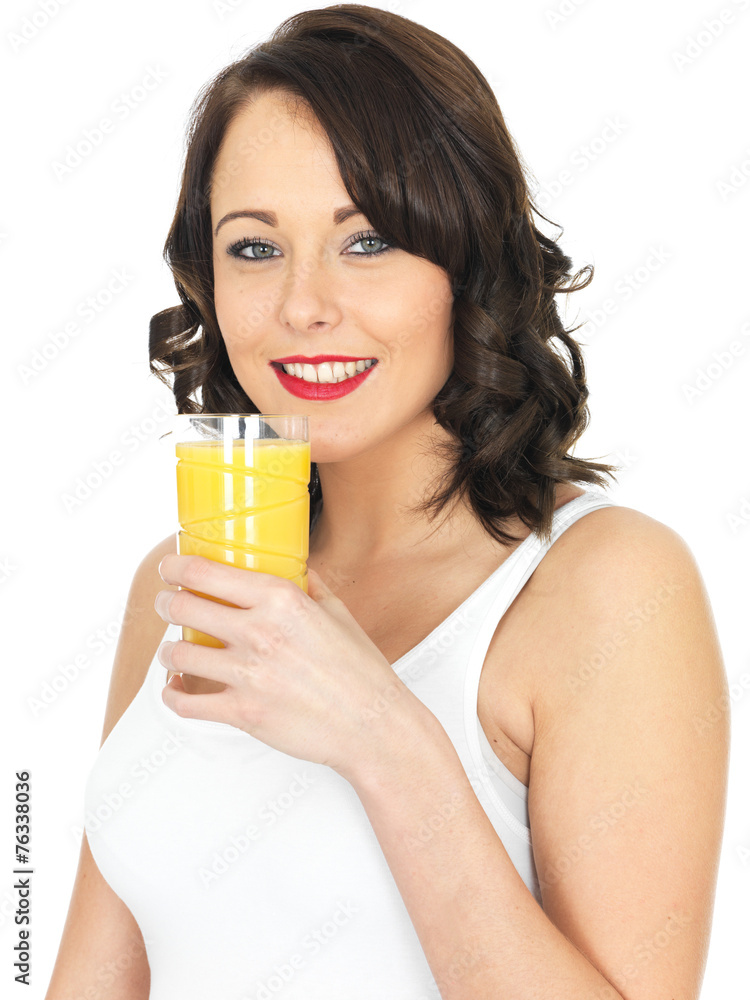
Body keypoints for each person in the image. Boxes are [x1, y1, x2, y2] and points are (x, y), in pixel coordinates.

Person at [45, 6, 729, 999]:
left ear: (467, 262)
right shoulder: (185, 579)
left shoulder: (604, 586)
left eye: (367, 240)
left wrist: (382, 734)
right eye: (253, 248)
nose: (302, 305)